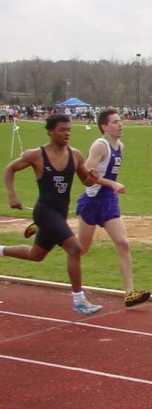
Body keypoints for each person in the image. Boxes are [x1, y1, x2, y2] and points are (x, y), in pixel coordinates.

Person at [2, 114, 103, 315]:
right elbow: (9, 169)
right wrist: (12, 195)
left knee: (36, 255)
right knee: (74, 249)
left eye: (69, 130)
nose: (67, 133)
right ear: (50, 131)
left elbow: (86, 181)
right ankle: (79, 300)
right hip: (45, 212)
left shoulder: (75, 155)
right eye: (62, 130)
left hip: (60, 213)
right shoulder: (36, 155)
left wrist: (94, 178)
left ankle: (1, 250)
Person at [75, 108, 151, 307]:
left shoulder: (120, 146)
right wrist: (112, 184)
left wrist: (112, 187)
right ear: (104, 126)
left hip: (108, 201)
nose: (120, 124)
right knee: (80, 249)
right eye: (115, 122)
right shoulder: (100, 146)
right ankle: (50, 234)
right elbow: (85, 177)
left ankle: (129, 292)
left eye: (120, 121)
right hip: (92, 202)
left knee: (123, 243)